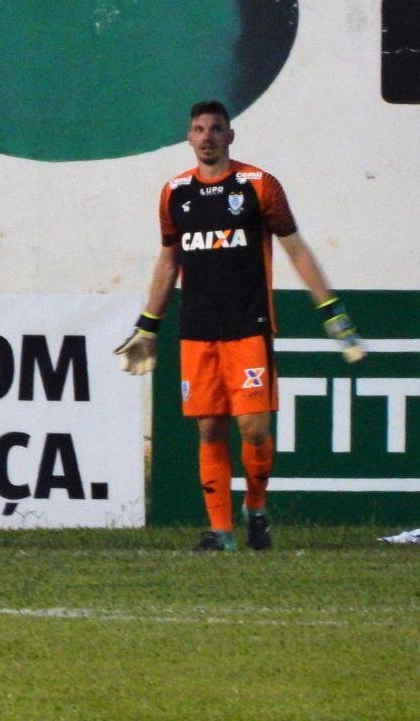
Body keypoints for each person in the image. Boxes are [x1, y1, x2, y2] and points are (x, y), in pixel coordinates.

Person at [115, 100, 365, 552]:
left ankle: (255, 509)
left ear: (230, 136)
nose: (207, 136)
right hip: (197, 329)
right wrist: (149, 324)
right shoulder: (175, 193)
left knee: (253, 429)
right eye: (198, 129)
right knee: (209, 428)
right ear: (189, 138)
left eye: (215, 129)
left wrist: (332, 311)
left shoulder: (258, 185)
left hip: (248, 326)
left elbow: (295, 249)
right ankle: (221, 532)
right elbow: (169, 259)